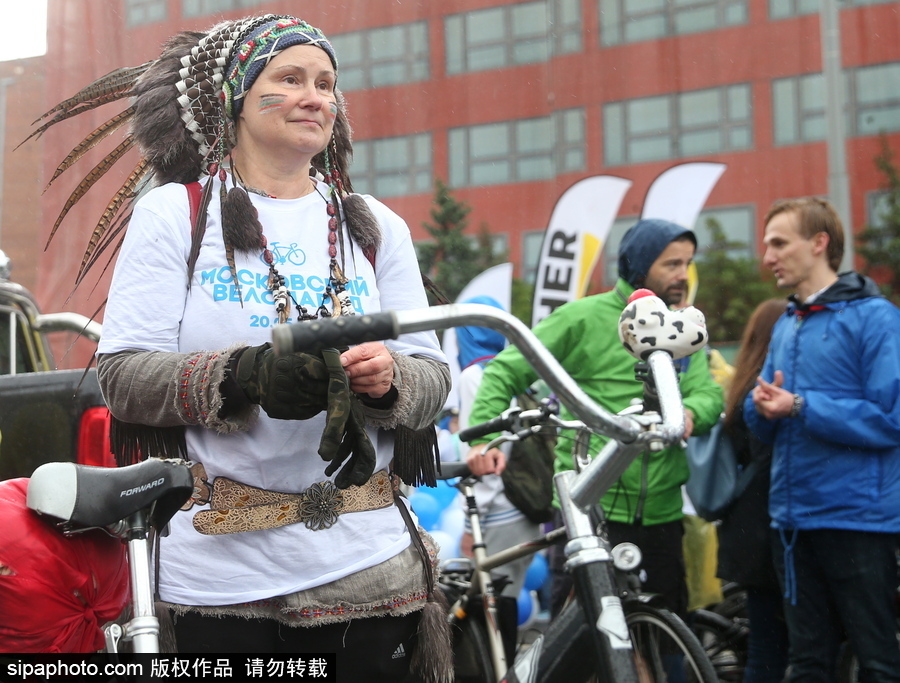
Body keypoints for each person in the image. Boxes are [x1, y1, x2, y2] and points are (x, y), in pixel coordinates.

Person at [43, 14, 451, 679]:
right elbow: (123, 378)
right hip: (225, 581)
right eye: (289, 78)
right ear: (235, 96)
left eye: (326, 82)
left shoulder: (376, 224)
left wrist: (388, 380)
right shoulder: (175, 213)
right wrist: (247, 376)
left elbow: (436, 376)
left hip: (370, 572)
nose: (315, 96)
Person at [465, 218, 724, 618]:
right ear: (639, 266)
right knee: (581, 643)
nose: (682, 275)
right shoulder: (581, 317)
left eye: (687, 264)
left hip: (663, 512)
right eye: (671, 264)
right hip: (587, 508)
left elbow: (708, 393)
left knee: (667, 640)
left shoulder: (682, 329)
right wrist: (481, 438)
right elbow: (506, 369)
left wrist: (690, 412)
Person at [746, 197, 900, 682]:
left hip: (860, 523)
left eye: (779, 243)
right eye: (766, 244)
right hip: (792, 521)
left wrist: (801, 405)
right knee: (808, 664)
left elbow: (892, 419)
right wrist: (761, 405)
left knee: (877, 662)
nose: (767, 256)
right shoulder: (788, 322)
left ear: (819, 244)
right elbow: (764, 423)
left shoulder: (876, 318)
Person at [716, 299, 789, 683]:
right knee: (784, 647)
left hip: (745, 531)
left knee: (766, 645)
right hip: (770, 531)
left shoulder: (742, 386)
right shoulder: (770, 393)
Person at [455, 295, 542, 599]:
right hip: (525, 508)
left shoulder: (474, 377)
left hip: (496, 517)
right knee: (507, 599)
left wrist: (470, 525)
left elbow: (486, 458)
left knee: (489, 606)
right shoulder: (512, 374)